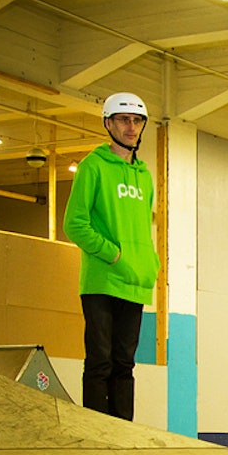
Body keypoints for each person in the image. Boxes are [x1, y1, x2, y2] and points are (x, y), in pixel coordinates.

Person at [62, 92, 159, 421]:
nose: (131, 127)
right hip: (102, 280)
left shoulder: (144, 176)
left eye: (137, 121)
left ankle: (122, 433)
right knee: (100, 361)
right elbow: (75, 224)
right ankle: (96, 431)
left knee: (124, 364)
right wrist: (113, 255)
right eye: (123, 120)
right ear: (108, 123)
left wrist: (149, 264)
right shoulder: (93, 166)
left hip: (135, 280)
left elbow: (142, 227)